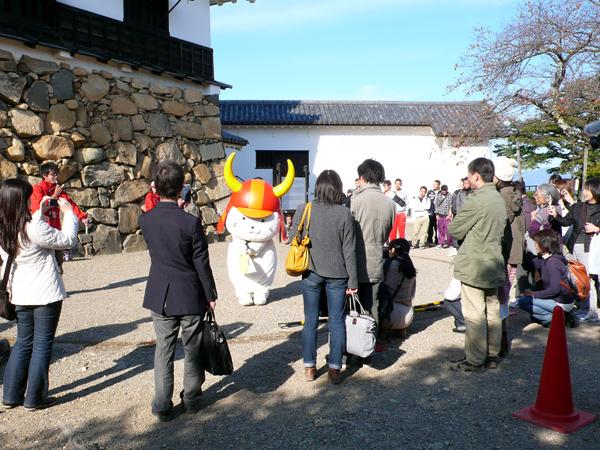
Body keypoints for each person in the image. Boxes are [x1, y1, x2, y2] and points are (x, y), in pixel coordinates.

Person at [139, 160, 218, 422]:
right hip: (189, 293)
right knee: (192, 348)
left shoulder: (146, 220)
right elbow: (201, 263)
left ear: (155, 187)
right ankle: (192, 399)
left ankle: (162, 404)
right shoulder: (190, 223)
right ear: (181, 187)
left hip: (160, 292)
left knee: (164, 349)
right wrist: (210, 294)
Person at [1, 179, 78, 410]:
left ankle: (11, 395)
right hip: (44, 293)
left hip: (20, 293)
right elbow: (67, 240)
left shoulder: (5, 228)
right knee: (42, 344)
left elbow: (33, 232)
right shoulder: (32, 228)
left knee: (23, 342)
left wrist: (40, 213)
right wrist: (69, 213)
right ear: (21, 200)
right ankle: (35, 398)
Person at [291, 170, 357, 384]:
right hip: (338, 274)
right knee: (336, 320)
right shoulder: (344, 213)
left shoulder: (305, 209)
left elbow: (292, 238)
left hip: (311, 271)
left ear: (317, 188)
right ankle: (335, 369)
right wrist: (353, 281)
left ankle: (309, 367)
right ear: (338, 189)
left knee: (310, 320)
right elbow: (349, 250)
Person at [448, 157, 507, 372]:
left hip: (475, 263)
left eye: (469, 176)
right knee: (492, 310)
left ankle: (474, 359)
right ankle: (492, 354)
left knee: (474, 314)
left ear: (475, 175)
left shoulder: (476, 200)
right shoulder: (499, 198)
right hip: (494, 260)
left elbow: (454, 229)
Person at [351, 159, 395, 352]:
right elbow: (387, 232)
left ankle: (355, 347)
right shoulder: (390, 204)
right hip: (377, 257)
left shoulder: (356, 200)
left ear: (362, 177)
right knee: (373, 305)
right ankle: (370, 345)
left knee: (354, 306)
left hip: (356, 258)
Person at [548, 177, 600, 322]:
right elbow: (566, 221)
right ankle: (583, 307)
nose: (585, 192)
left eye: (588, 189)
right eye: (584, 189)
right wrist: (555, 215)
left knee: (587, 279)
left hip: (590, 248)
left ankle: (590, 311)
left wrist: (597, 228)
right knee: (576, 278)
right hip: (573, 245)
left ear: (596, 191)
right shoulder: (579, 207)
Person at [29, 162, 89, 269]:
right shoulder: (37, 188)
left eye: (57, 174)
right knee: (45, 263)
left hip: (55, 230)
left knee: (58, 262)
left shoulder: (57, 189)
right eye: (53, 174)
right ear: (45, 175)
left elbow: (70, 204)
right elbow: (39, 208)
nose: (56, 177)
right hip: (42, 230)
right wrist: (55, 195)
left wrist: (82, 217)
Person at [517, 229, 579, 327]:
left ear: (544, 244)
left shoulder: (552, 263)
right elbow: (531, 263)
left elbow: (555, 289)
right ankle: (554, 317)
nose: (535, 246)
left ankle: (557, 318)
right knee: (530, 298)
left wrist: (533, 294)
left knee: (523, 301)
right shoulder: (546, 258)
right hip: (557, 299)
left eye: (536, 243)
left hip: (561, 302)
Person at [494, 156, 524, 355]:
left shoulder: (502, 196)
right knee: (503, 297)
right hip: (513, 253)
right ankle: (502, 338)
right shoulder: (514, 192)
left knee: (500, 298)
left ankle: (500, 339)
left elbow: (499, 225)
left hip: (505, 252)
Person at [379, 239, 416, 335]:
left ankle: (384, 329)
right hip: (408, 314)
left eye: (389, 248)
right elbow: (412, 293)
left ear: (393, 250)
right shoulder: (410, 267)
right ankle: (400, 329)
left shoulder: (388, 264)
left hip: (390, 315)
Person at [426, 180, 441, 247]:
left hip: (438, 212)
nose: (434, 185)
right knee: (430, 227)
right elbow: (427, 200)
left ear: (439, 185)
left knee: (437, 227)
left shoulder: (441, 192)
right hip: (431, 212)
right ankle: (429, 241)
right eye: (434, 184)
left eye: (436, 184)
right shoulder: (430, 192)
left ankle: (437, 241)